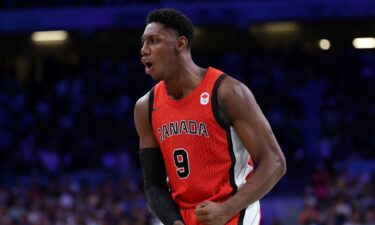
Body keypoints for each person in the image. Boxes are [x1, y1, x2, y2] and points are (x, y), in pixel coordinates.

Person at [134, 8, 287, 225]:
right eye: (143, 42)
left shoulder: (227, 92)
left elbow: (275, 162)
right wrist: (174, 222)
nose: (144, 50)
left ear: (181, 44)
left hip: (233, 209)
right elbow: (153, 184)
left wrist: (227, 209)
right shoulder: (145, 107)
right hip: (185, 216)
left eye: (153, 41)